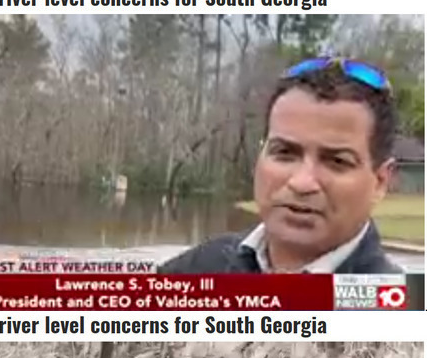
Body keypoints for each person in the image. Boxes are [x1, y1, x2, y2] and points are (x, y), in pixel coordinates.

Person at [160, 57, 403, 274]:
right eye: (285, 153)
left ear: (380, 181)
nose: (302, 182)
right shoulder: (191, 272)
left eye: (337, 161)